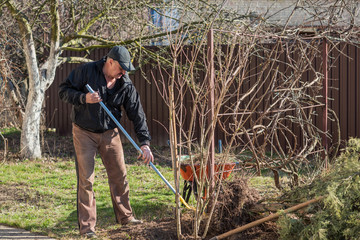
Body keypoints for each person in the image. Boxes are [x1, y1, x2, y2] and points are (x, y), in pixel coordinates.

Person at [58, 45, 154, 238]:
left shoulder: (124, 83)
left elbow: (138, 114)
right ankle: (87, 228)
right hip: (84, 131)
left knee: (119, 174)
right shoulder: (87, 71)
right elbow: (63, 91)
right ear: (111, 62)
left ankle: (126, 217)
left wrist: (145, 143)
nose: (124, 72)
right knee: (87, 179)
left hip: (110, 133)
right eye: (122, 68)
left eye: (126, 69)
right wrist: (84, 98)